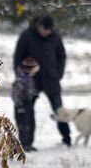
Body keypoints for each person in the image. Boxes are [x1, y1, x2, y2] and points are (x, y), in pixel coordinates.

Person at [13, 15, 71, 149]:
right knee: (27, 111)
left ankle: (66, 139)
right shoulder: (26, 35)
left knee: (59, 109)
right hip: (31, 80)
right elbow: (18, 57)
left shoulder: (55, 37)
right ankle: (26, 143)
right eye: (45, 29)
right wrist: (21, 76)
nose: (47, 32)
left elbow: (61, 56)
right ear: (39, 26)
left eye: (49, 30)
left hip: (51, 79)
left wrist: (58, 73)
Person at [11, 57, 39, 152]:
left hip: (29, 105)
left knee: (31, 124)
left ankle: (29, 143)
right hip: (21, 106)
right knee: (23, 126)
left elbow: (30, 90)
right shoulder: (20, 80)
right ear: (29, 70)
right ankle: (24, 144)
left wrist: (34, 94)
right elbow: (15, 94)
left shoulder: (29, 79)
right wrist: (19, 106)